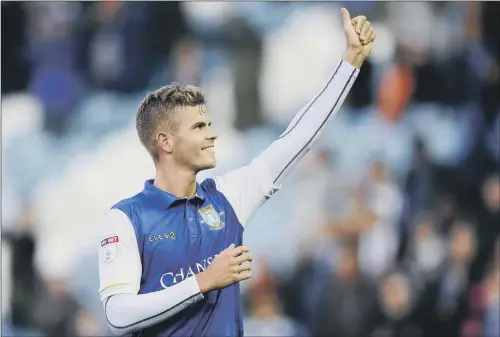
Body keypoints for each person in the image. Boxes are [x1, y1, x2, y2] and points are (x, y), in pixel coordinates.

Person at [98, 8, 376, 337]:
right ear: (165, 142)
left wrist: (350, 63)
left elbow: (299, 138)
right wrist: (203, 281)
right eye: (199, 127)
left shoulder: (228, 198)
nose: (211, 135)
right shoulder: (127, 218)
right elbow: (118, 314)